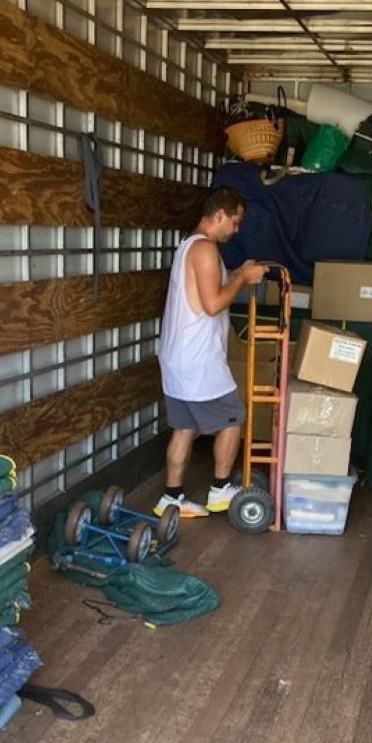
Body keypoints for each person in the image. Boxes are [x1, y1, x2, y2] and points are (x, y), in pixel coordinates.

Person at [154, 186, 267, 518]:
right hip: (198, 360)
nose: (236, 229)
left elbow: (208, 291)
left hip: (177, 357)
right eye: (235, 221)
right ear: (220, 215)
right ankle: (219, 491)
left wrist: (236, 274)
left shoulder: (189, 246)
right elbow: (213, 303)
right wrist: (244, 277)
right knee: (234, 418)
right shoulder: (205, 249)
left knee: (184, 427)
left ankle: (170, 498)